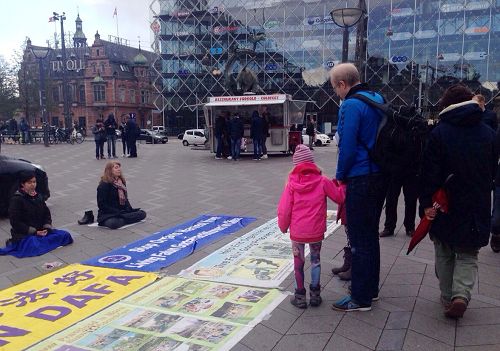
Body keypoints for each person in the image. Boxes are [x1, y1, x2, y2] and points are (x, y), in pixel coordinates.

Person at [419, 84, 496, 318]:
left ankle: (446, 295)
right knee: (468, 252)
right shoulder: (489, 134)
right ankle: (461, 295)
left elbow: (428, 173)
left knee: (444, 249)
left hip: (445, 202)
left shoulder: (440, 133)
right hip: (477, 201)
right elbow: (493, 170)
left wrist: (425, 204)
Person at [330, 63, 386, 312]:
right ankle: (370, 290)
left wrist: (340, 175)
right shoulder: (377, 98)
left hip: (360, 176)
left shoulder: (351, 105)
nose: (336, 94)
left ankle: (360, 298)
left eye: (335, 88)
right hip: (380, 175)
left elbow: (348, 147)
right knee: (371, 236)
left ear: (343, 84)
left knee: (360, 240)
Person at [277, 144, 345, 308]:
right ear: (312, 163)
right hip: (315, 231)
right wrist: (342, 185)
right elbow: (340, 198)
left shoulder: (291, 184)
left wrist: (283, 226)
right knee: (315, 260)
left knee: (298, 263)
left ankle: (299, 296)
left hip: (298, 232)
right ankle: (315, 295)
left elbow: (285, 209)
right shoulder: (323, 181)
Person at [0, 171, 73, 258]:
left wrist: (46, 227)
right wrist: (35, 232)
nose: (32, 184)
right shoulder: (17, 199)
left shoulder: (38, 196)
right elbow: (16, 223)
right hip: (25, 234)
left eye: (34, 182)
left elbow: (46, 213)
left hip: (41, 231)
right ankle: (14, 243)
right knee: (34, 245)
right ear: (22, 184)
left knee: (65, 235)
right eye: (29, 182)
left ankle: (44, 241)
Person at [97, 161, 146, 229]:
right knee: (114, 223)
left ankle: (125, 218)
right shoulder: (104, 185)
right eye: (116, 168)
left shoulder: (121, 182)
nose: (119, 169)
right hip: (108, 214)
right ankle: (126, 218)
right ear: (110, 170)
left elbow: (125, 199)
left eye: (119, 167)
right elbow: (101, 205)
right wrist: (117, 212)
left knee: (142, 213)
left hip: (122, 212)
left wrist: (129, 210)